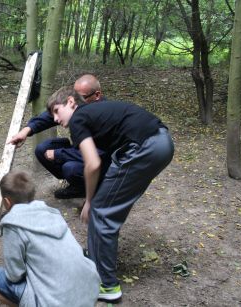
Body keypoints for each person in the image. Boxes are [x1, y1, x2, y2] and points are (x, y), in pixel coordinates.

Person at [47, 86, 174, 302]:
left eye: (57, 111)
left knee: (101, 211)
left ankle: (107, 285)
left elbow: (93, 164)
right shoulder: (93, 113)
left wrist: (88, 200)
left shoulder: (79, 119)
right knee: (105, 206)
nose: (56, 119)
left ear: (71, 102)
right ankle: (96, 257)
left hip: (144, 147)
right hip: (162, 142)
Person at [0, 171, 100, 306]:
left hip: (57, 303)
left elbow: (14, 276)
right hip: (89, 291)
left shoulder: (13, 225)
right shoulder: (52, 213)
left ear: (7, 202)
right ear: (32, 196)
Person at [9, 74, 110, 199]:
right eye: (73, 96)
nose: (74, 101)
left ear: (97, 96)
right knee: (42, 149)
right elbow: (51, 115)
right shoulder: (76, 106)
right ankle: (77, 184)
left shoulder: (103, 116)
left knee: (70, 168)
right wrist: (26, 130)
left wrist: (59, 154)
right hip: (80, 152)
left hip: (103, 161)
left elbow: (99, 155)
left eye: (81, 97)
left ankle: (93, 188)